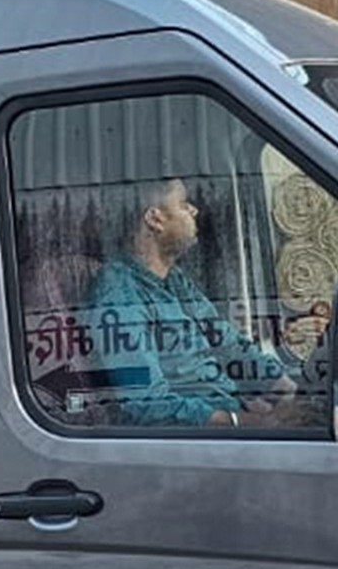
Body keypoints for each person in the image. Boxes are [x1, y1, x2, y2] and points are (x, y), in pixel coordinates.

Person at [89, 176, 299, 427]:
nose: (194, 210)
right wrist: (242, 422)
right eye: (183, 203)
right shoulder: (119, 293)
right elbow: (145, 403)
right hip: (196, 438)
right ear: (155, 219)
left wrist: (279, 384)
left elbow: (226, 342)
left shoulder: (173, 279)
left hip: (227, 411)